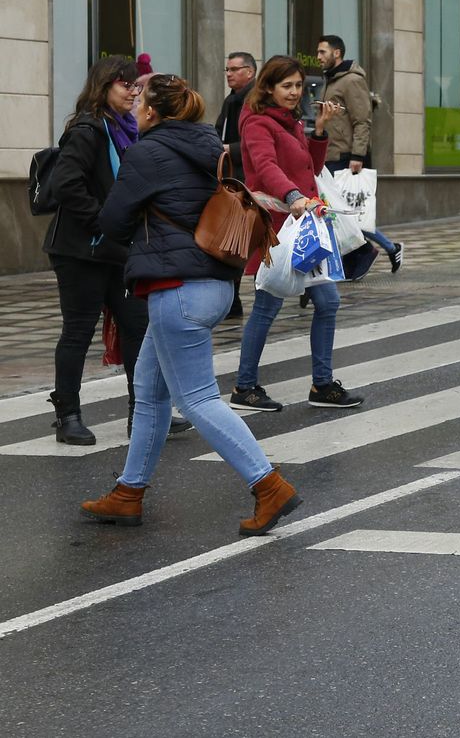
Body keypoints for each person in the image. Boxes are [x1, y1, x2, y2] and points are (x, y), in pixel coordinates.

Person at [79, 74, 302, 535]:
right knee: (150, 391)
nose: (134, 106)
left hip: (176, 288)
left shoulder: (147, 152)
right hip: (214, 284)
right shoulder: (209, 146)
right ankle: (128, 491)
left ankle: (268, 484)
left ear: (153, 111)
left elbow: (115, 220)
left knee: (197, 398)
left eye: (138, 99)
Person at [42, 57, 167, 446]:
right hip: (81, 250)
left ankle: (141, 412)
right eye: (124, 84)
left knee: (137, 326)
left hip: (117, 248)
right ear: (103, 87)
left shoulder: (127, 130)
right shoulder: (88, 128)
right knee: (78, 331)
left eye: (135, 85)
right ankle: (68, 415)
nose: (133, 91)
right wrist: (103, 221)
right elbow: (66, 186)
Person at [233, 55, 363, 412]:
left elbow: (310, 167)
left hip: (305, 226)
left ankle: (322, 385)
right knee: (267, 305)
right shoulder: (258, 122)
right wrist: (293, 197)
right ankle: (244, 387)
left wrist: (319, 130)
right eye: (286, 86)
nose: (294, 93)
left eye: (298, 86)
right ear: (269, 87)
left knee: (328, 302)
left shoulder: (289, 121)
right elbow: (265, 167)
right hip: (277, 228)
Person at [315, 35, 403, 275]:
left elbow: (362, 121)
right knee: (340, 214)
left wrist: (358, 155)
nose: (319, 57)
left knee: (347, 213)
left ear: (337, 53)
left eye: (323, 52)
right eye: (318, 52)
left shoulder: (351, 81)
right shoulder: (330, 81)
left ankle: (384, 249)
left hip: (345, 156)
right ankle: (384, 249)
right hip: (330, 154)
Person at [216, 52, 256, 317]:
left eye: (234, 69)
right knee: (234, 240)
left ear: (249, 72)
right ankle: (232, 301)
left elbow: (257, 144)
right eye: (226, 69)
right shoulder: (231, 100)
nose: (228, 74)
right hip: (232, 176)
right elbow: (219, 130)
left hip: (250, 177)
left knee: (245, 239)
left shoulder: (255, 101)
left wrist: (228, 148)